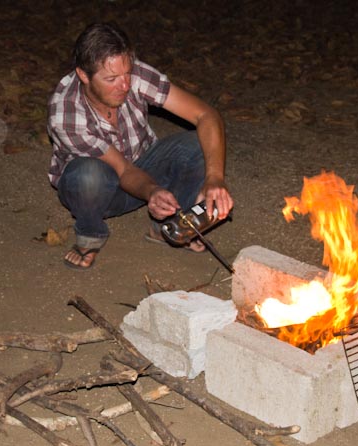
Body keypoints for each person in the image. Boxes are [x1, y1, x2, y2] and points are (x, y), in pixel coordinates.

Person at [47, 22, 233, 270]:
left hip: (144, 165)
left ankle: (170, 227)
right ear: (83, 75)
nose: (124, 85)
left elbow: (206, 115)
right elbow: (123, 170)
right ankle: (90, 235)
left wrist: (214, 178)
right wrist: (152, 192)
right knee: (87, 175)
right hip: (100, 191)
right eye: (111, 79)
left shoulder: (134, 75)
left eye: (127, 74)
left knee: (197, 143)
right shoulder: (66, 113)